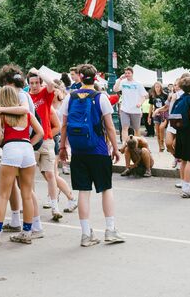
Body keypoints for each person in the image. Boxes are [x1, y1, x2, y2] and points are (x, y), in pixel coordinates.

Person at [58, 64, 123, 247]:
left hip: (78, 151)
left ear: (78, 77)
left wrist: (63, 147)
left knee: (83, 192)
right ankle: (110, 230)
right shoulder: (100, 97)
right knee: (106, 189)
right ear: (95, 78)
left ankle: (86, 234)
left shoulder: (69, 98)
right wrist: (116, 149)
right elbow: (110, 126)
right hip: (99, 150)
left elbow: (64, 125)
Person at [0, 85, 44, 246]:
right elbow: (40, 132)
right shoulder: (25, 113)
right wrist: (29, 143)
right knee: (27, 194)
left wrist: (2, 141)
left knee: (3, 195)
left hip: (11, 148)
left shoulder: (1, 112)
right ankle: (27, 232)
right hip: (26, 148)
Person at [28, 69, 67, 216]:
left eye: (37, 82)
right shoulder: (26, 97)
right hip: (32, 141)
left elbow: (51, 84)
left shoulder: (45, 93)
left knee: (50, 174)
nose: (34, 86)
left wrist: (37, 72)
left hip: (47, 141)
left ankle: (55, 207)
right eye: (32, 83)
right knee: (29, 176)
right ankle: (30, 205)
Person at [171, 76, 190, 198]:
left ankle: (184, 185)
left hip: (180, 132)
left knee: (183, 160)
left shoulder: (179, 99)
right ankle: (187, 188)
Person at [114, 66, 146, 141]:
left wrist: (140, 103)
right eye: (126, 73)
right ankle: (124, 145)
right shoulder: (122, 82)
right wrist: (120, 79)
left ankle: (137, 145)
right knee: (125, 128)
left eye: (129, 73)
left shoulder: (138, 84)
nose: (127, 74)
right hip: (124, 109)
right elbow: (115, 89)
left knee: (136, 129)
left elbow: (144, 96)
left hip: (135, 110)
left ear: (132, 73)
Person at [147, 82, 168, 152]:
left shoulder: (165, 95)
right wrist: (149, 117)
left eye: (158, 87)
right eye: (156, 87)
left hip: (163, 114)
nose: (157, 88)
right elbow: (151, 107)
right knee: (157, 131)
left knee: (161, 128)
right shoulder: (152, 95)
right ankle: (160, 147)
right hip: (155, 114)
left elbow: (167, 106)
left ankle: (162, 143)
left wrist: (162, 111)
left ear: (161, 87)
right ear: (154, 87)